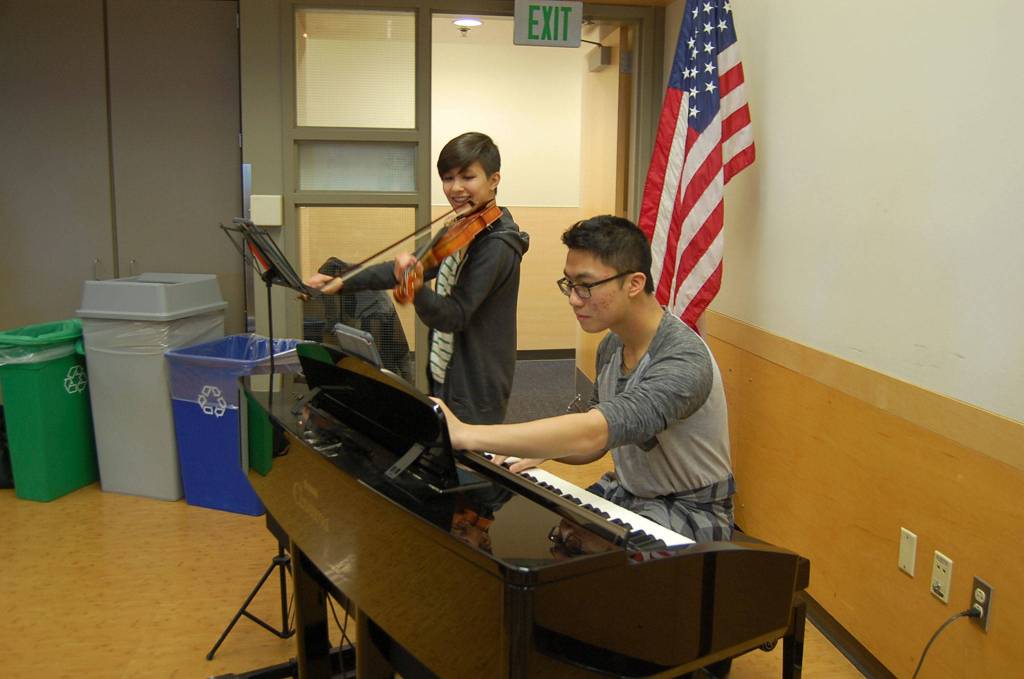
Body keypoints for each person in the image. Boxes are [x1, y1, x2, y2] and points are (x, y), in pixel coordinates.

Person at [437, 215, 734, 542]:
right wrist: (546, 447)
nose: (573, 299)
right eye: (569, 284)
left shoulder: (683, 359)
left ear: (634, 284)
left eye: (586, 286)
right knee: (549, 533)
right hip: (629, 492)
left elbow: (596, 432)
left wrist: (467, 434)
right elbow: (595, 442)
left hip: (689, 509)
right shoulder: (612, 345)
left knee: (583, 555)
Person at [305, 132, 529, 425]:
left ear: (494, 180)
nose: (455, 188)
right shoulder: (461, 228)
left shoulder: (497, 244)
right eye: (448, 178)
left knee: (468, 450)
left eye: (467, 177)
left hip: (476, 382)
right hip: (446, 366)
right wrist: (342, 280)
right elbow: (404, 267)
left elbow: (455, 315)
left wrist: (416, 288)